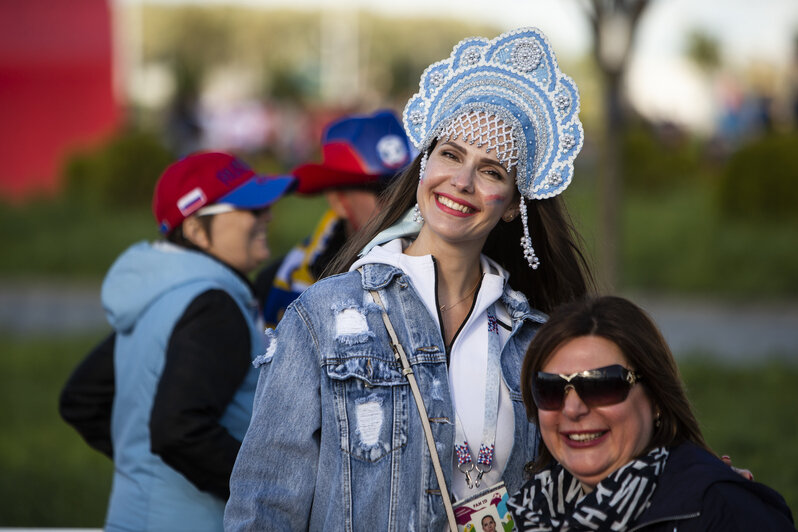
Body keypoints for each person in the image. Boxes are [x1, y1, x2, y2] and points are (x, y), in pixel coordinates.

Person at [225, 27, 593, 531]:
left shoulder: (536, 338)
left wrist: (703, 479)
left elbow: (585, 478)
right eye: (450, 154)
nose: (461, 182)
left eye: (491, 172)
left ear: (512, 205)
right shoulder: (322, 317)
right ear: (423, 165)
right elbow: (264, 503)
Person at [58, 152, 294, 532]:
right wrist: (275, 488)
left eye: (265, 204)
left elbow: (82, 398)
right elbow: (177, 431)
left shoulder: (168, 294)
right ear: (197, 231)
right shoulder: (213, 306)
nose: (267, 214)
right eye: (250, 207)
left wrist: (146, 470)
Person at [508, 295, 795, 531]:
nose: (573, 409)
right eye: (550, 388)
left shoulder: (721, 510)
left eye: (601, 385)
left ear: (656, 398)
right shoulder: (530, 510)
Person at [255, 109, 412, 327]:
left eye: (409, 187)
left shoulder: (452, 268)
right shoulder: (280, 285)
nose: (401, 201)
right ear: (339, 201)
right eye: (383, 189)